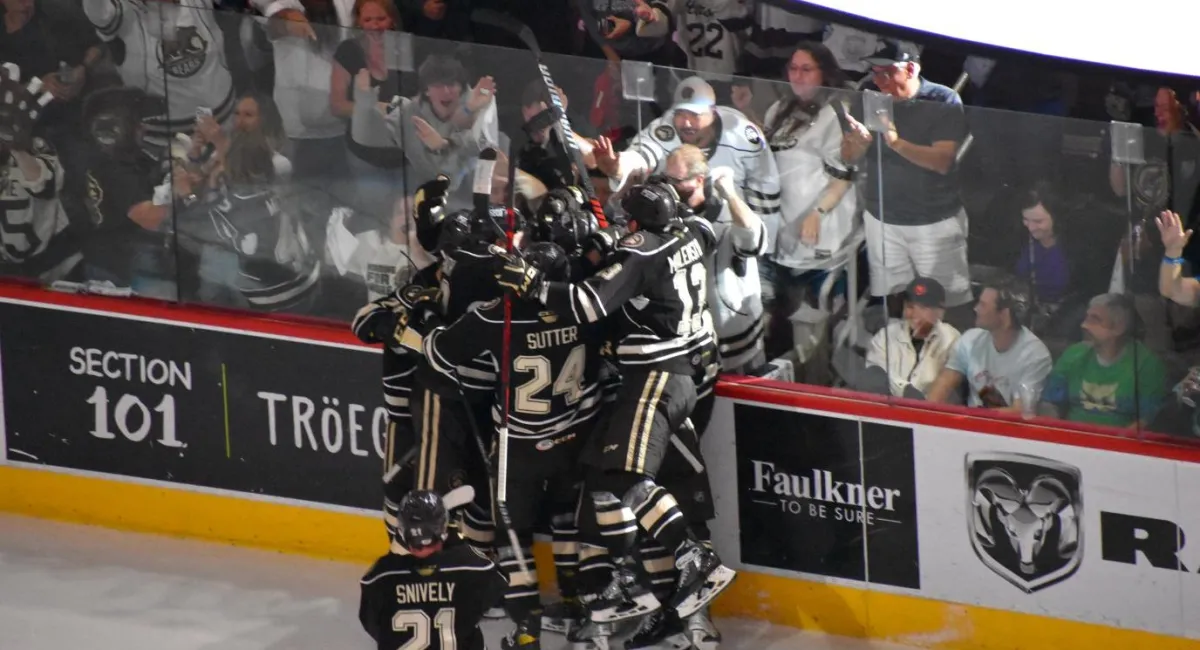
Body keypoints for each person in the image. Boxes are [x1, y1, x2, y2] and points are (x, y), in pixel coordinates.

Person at [491, 179, 737, 626]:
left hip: (657, 376)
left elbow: (588, 303)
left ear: (641, 222)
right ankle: (621, 578)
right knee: (601, 473)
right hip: (686, 373)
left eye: (631, 218)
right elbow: (688, 228)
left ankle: (692, 556)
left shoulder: (641, 250)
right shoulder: (695, 231)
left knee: (627, 472)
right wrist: (608, 242)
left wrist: (534, 285)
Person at [402, 241, 605, 650]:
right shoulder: (584, 312)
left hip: (520, 450)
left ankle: (527, 626)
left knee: (512, 535)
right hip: (572, 437)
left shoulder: (499, 315)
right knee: (565, 516)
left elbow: (440, 354)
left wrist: (422, 318)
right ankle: (573, 604)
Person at [840, 40, 972, 315]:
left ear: (910, 69)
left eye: (886, 73)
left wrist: (895, 142)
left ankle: (946, 354)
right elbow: (849, 157)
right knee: (893, 299)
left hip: (933, 221)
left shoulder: (943, 100)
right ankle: (900, 350)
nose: (878, 81)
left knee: (945, 301)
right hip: (883, 218)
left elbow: (942, 161)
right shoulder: (868, 95)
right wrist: (858, 144)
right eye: (874, 72)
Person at [593, 76, 781, 252]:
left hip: (730, 239)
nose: (686, 123)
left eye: (694, 115)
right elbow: (642, 156)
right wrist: (617, 168)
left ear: (713, 113)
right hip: (676, 237)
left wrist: (765, 245)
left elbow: (764, 185)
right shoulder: (665, 127)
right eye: (680, 114)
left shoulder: (742, 135)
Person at [757, 42, 859, 361]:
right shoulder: (778, 110)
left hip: (821, 230)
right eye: (793, 68)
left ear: (824, 73)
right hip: (783, 230)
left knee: (817, 319)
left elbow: (844, 176)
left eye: (806, 69)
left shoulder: (837, 113)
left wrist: (817, 212)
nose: (797, 75)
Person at [359, 488, 508, 650]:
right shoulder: (469, 567)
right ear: (442, 529)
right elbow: (500, 583)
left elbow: (372, 625)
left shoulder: (380, 576)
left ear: (403, 531)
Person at [1041, 293, 1166, 428]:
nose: (1084, 325)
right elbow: (1050, 403)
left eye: (1095, 320)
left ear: (1119, 328)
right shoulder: (1073, 354)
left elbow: (1147, 419)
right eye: (1086, 318)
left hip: (1120, 444)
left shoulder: (1146, 364)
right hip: (1072, 440)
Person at [926, 281, 1052, 411]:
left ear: (1004, 315)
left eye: (983, 305)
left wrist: (969, 418)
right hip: (968, 423)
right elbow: (944, 384)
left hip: (1006, 429)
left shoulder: (1035, 355)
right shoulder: (970, 340)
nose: (976, 309)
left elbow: (1019, 411)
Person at [862, 277, 960, 398]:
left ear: (940, 312)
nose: (914, 315)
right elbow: (875, 376)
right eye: (910, 307)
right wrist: (905, 391)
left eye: (923, 308)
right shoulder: (885, 336)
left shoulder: (951, 339)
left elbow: (949, 388)